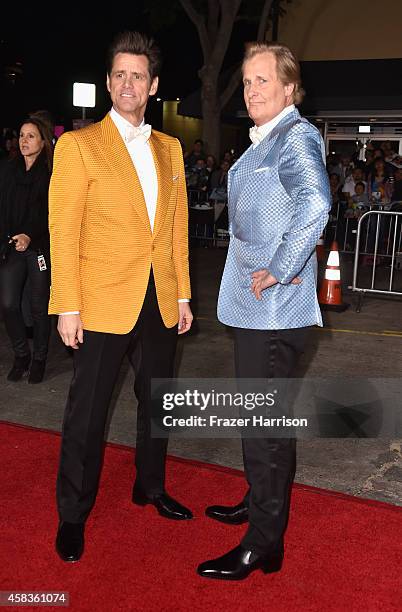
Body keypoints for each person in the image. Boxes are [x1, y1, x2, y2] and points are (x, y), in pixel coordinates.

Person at [48, 31, 193, 563]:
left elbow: (175, 229)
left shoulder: (170, 148)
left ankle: (149, 485)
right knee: (87, 413)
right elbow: (63, 230)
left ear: (153, 85)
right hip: (102, 299)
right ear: (109, 82)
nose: (127, 83)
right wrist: (67, 304)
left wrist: (181, 295)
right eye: (119, 74)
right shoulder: (78, 145)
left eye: (138, 75)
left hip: (159, 297)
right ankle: (72, 514)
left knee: (159, 402)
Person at [197, 42, 330, 581]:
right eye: (247, 82)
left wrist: (279, 265)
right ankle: (260, 502)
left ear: (289, 89)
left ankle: (263, 543)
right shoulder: (269, 138)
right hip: (258, 309)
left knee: (263, 426)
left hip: (275, 308)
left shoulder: (294, 137)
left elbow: (316, 204)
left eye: (262, 81)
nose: (252, 90)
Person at [0, 115, 53, 384]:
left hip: (39, 247)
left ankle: (40, 358)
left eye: (31, 136)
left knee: (38, 307)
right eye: (21, 135)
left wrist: (30, 235)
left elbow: (50, 214)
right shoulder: (8, 170)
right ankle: (21, 354)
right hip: (13, 245)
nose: (24, 140)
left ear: (43, 142)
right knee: (8, 303)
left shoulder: (52, 174)